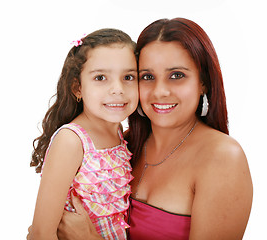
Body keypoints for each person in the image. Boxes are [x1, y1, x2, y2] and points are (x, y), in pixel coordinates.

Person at [56, 18, 253, 240]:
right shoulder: (122, 148)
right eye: (147, 77)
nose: (160, 92)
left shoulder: (223, 157)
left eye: (176, 75)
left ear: (203, 82)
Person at [28, 28, 139, 239]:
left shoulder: (119, 133)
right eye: (100, 77)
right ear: (77, 88)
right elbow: (42, 233)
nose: (118, 88)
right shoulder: (72, 141)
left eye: (128, 77)